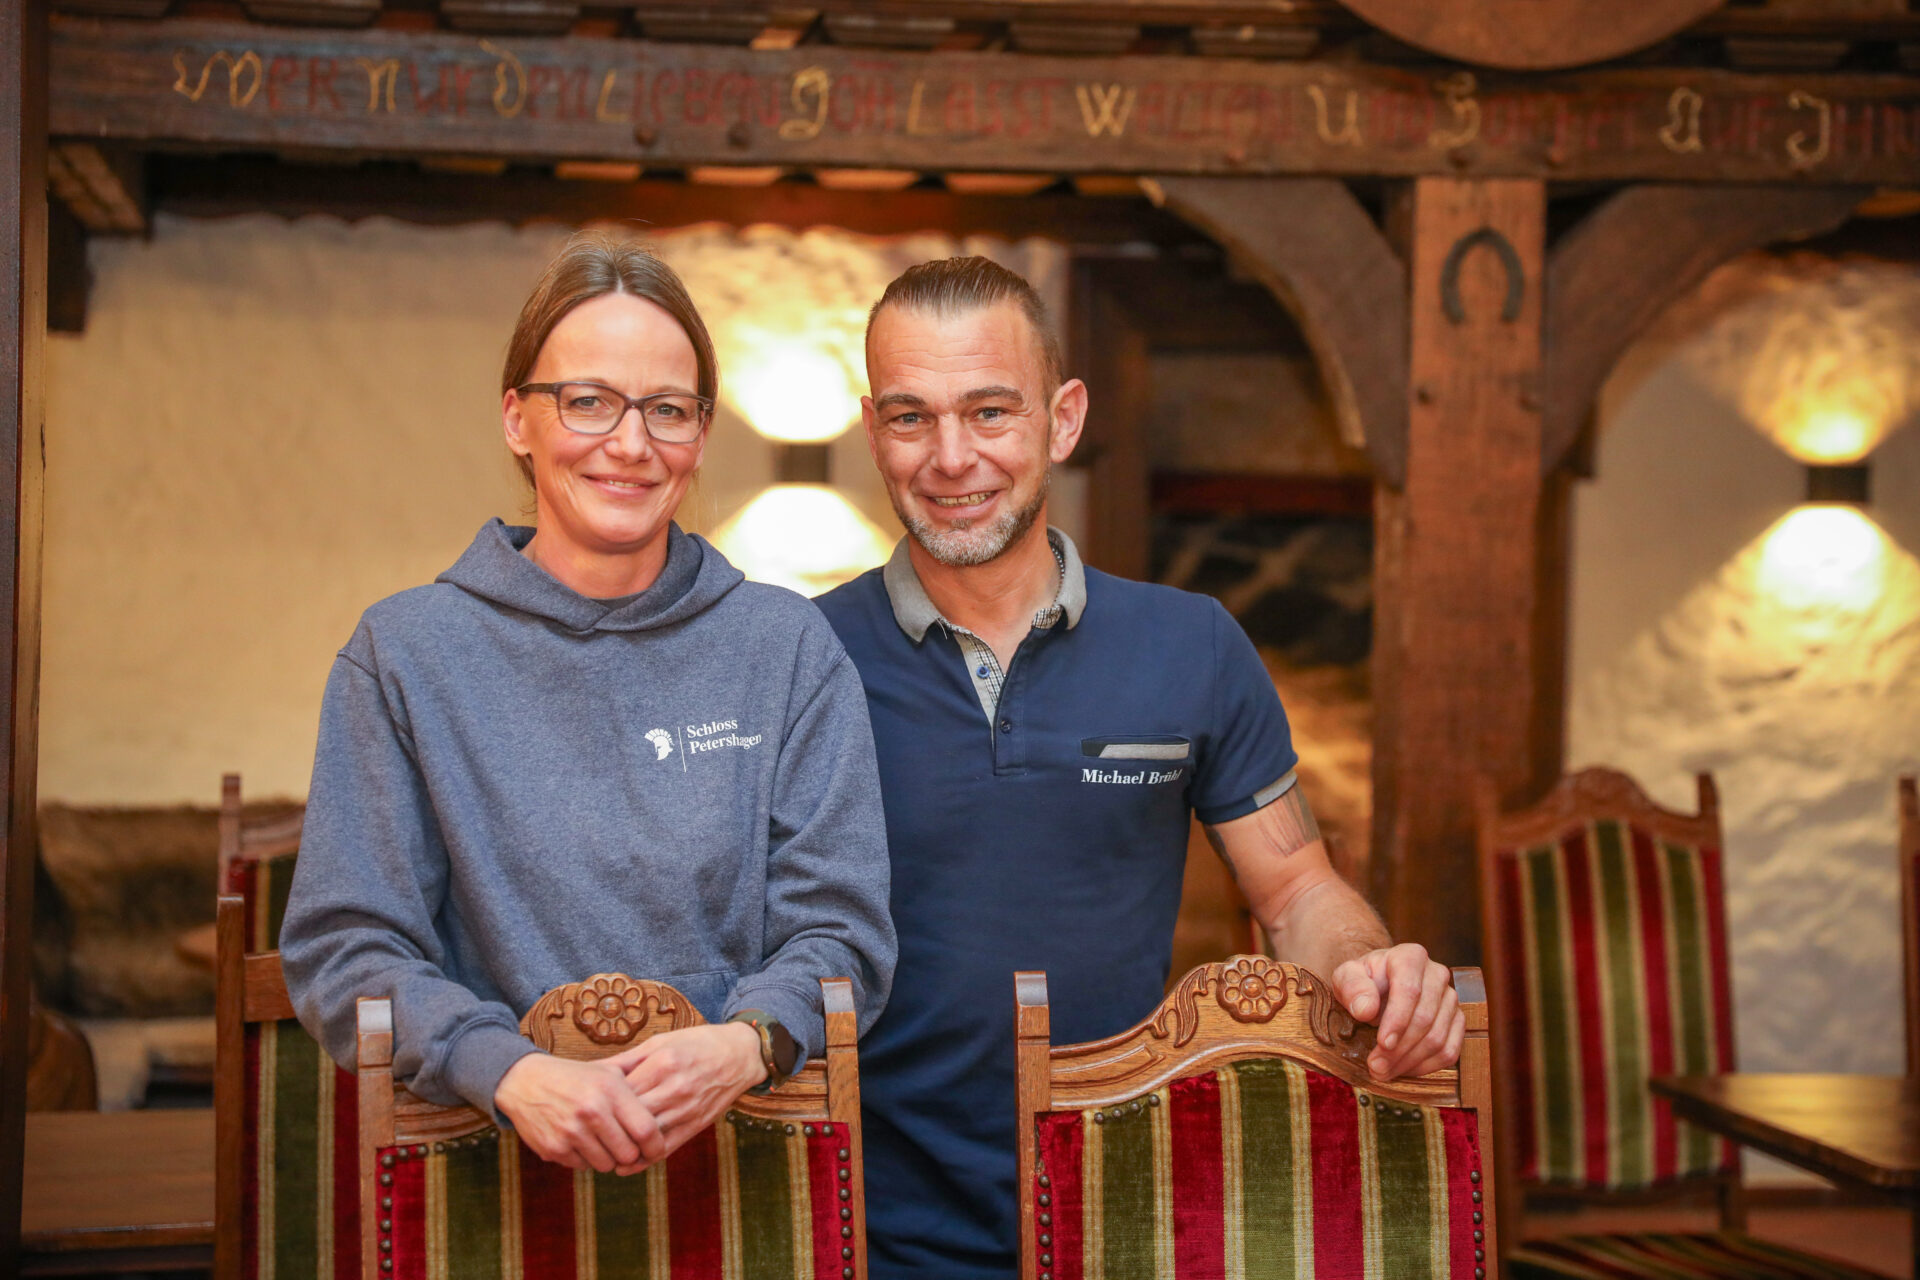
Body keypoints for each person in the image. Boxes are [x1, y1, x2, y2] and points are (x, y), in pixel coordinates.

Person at [814, 257, 1463, 1280]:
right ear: (873, 429)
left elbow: (1296, 886)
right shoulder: (803, 657)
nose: (950, 456)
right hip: (858, 1223)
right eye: (911, 417)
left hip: (1123, 1211)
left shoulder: (1193, 643)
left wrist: (1366, 963)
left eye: (990, 411)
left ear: (1063, 419)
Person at [282, 231, 896, 1176]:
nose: (630, 443)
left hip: (744, 1165)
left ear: (700, 432)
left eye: (666, 409)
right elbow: (346, 947)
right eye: (588, 401)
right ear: (517, 419)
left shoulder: (785, 648)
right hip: (481, 1166)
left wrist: (746, 1044)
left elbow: (844, 932)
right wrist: (509, 1071)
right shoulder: (404, 655)